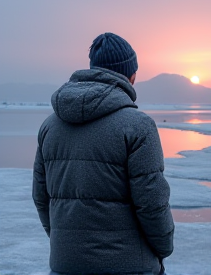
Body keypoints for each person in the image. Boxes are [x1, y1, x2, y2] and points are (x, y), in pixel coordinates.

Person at [32, 32, 174, 275]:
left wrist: (65, 243)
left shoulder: (50, 126)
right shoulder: (138, 126)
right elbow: (152, 203)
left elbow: (41, 197)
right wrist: (164, 248)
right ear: (130, 76)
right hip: (130, 267)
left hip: (65, 265)